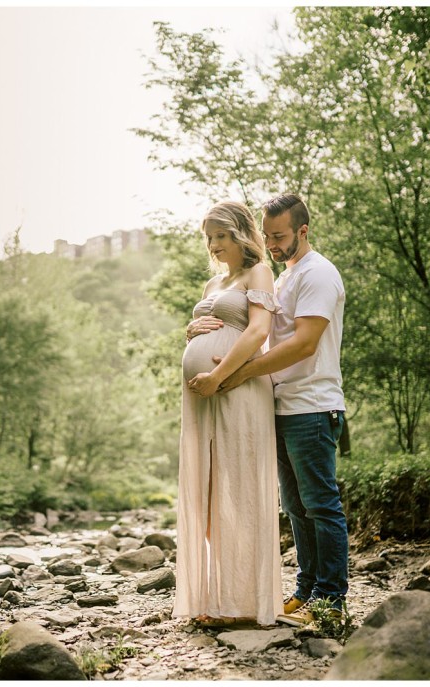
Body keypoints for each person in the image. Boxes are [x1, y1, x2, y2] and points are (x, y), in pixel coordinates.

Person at [186, 193, 348, 626]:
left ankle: (331, 600)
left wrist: (235, 374)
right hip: (281, 404)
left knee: (321, 504)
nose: (272, 244)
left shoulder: (319, 274)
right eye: (268, 235)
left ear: (302, 231)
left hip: (311, 404)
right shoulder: (283, 278)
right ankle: (307, 590)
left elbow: (303, 343)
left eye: (279, 236)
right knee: (296, 507)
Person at [172, 201, 284, 627]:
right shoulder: (211, 284)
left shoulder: (259, 273)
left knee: (239, 489)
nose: (214, 244)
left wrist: (218, 375)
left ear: (239, 233)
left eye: (220, 235)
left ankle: (243, 603)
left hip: (237, 388)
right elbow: (206, 325)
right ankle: (214, 595)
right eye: (209, 237)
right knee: (207, 488)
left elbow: (259, 332)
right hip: (203, 396)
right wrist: (189, 331)